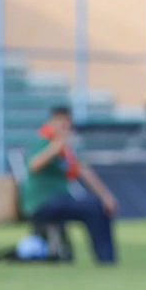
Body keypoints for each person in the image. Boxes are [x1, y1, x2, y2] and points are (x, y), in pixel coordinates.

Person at [21, 106, 119, 265]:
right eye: (61, 123)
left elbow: (84, 172)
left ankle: (107, 258)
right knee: (92, 207)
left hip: (61, 199)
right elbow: (34, 165)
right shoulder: (41, 141)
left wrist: (106, 196)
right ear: (52, 122)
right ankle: (105, 260)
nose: (65, 127)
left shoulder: (66, 150)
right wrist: (55, 147)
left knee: (98, 206)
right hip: (41, 202)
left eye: (68, 124)